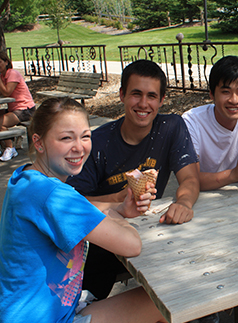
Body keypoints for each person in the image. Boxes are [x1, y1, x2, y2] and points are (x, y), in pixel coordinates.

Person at [0, 97, 166, 323]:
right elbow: (132, 245)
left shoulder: (26, 179)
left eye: (85, 136)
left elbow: (84, 210)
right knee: (158, 301)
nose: (79, 147)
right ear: (39, 142)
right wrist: (119, 218)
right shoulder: (54, 195)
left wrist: (120, 208)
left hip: (23, 314)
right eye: (66, 138)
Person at [67, 59, 200, 299]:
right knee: (93, 283)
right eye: (136, 94)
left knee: (194, 253)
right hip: (103, 240)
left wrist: (184, 202)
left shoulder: (171, 127)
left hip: (153, 232)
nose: (143, 103)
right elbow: (71, 204)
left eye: (151, 96)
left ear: (161, 100)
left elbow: (190, 177)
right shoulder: (98, 143)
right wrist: (117, 200)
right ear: (122, 95)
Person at [182, 55, 238, 190]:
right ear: (212, 94)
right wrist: (233, 174)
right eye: (226, 92)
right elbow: (190, 180)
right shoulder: (192, 121)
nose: (234, 100)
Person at [0, 51, 36, 161]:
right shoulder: (2, 76)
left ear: (6, 62)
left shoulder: (13, 73)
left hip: (25, 109)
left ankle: (10, 148)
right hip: (13, 108)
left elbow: (7, 92)